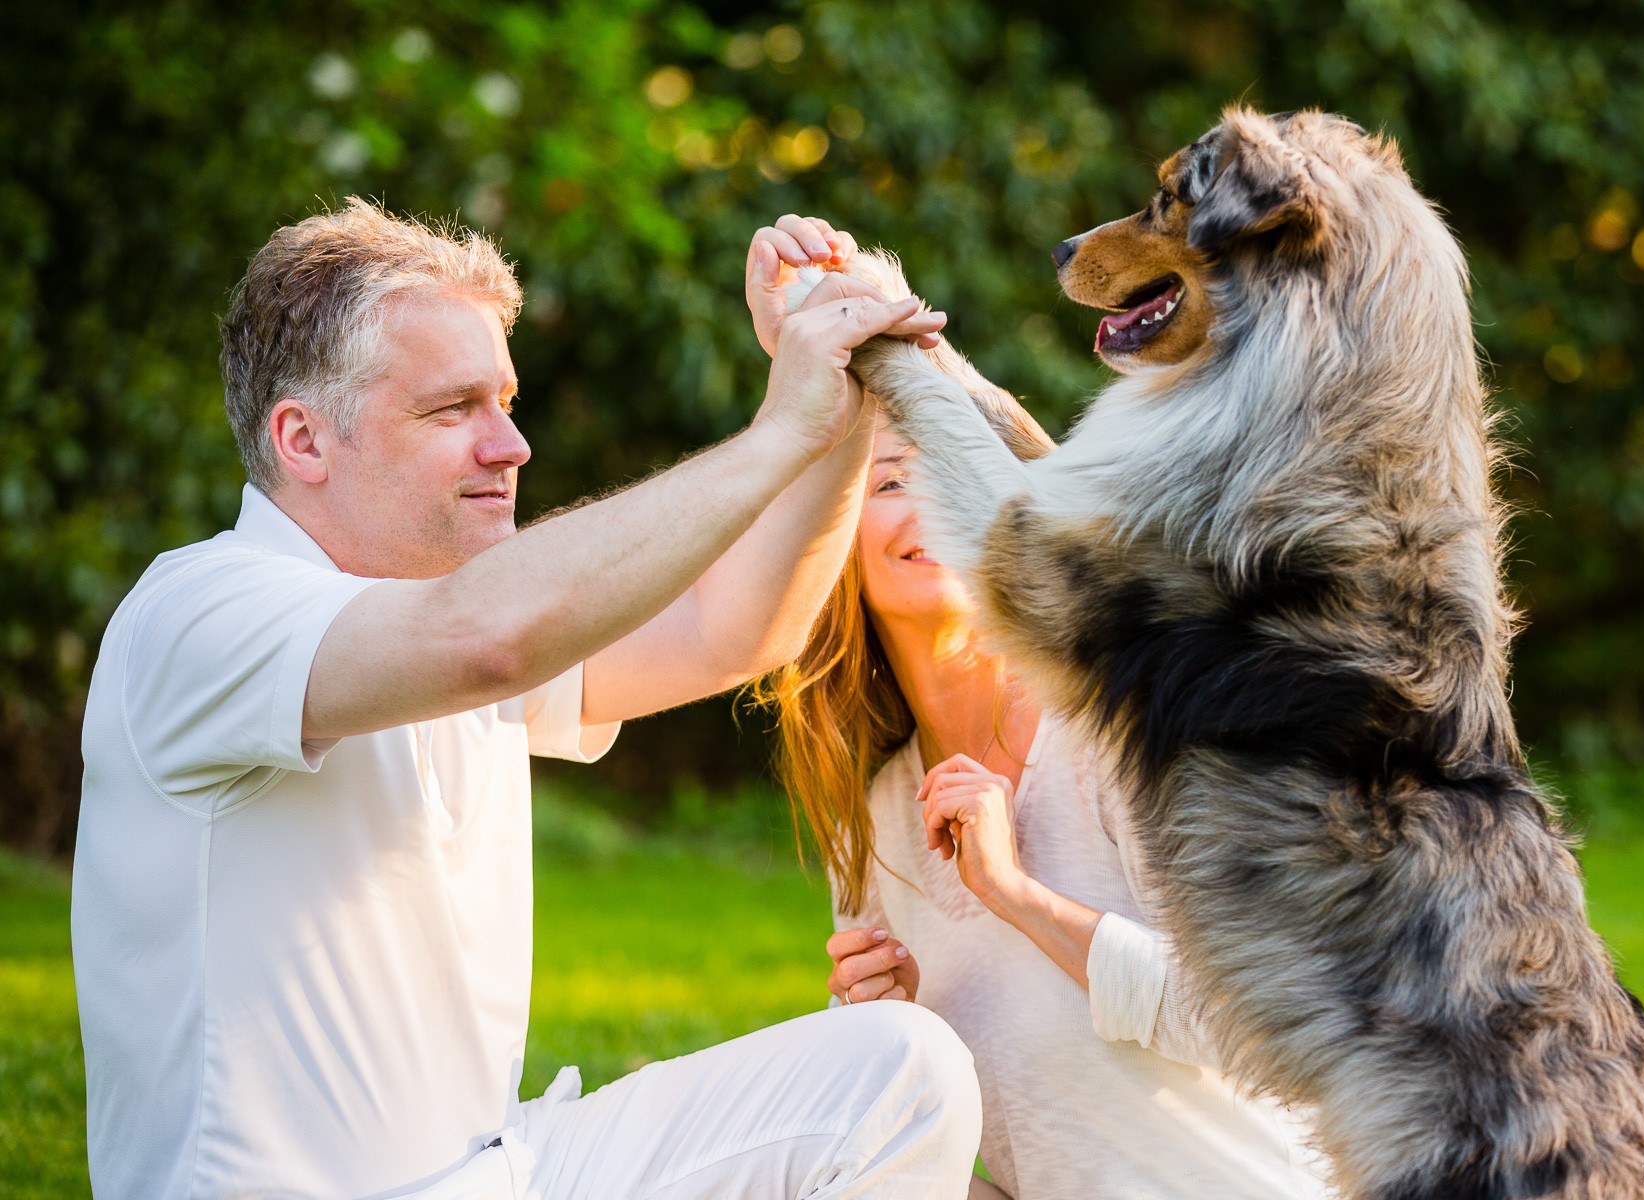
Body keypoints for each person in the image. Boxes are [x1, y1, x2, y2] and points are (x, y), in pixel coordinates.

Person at [71, 200, 982, 1200]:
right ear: (302, 440)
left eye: (505, 401)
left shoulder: (445, 616)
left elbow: (731, 632)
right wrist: (778, 431)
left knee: (899, 1075)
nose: (510, 446)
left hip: (496, 1175)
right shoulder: (200, 615)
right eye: (452, 409)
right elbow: (484, 640)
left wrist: (845, 409)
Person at [754, 393, 1336, 1200]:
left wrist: (1018, 896)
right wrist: (884, 1037)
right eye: (888, 483)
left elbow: (1260, 1025)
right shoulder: (877, 817)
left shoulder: (1121, 729)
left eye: (954, 473)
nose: (930, 501)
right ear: (832, 540)